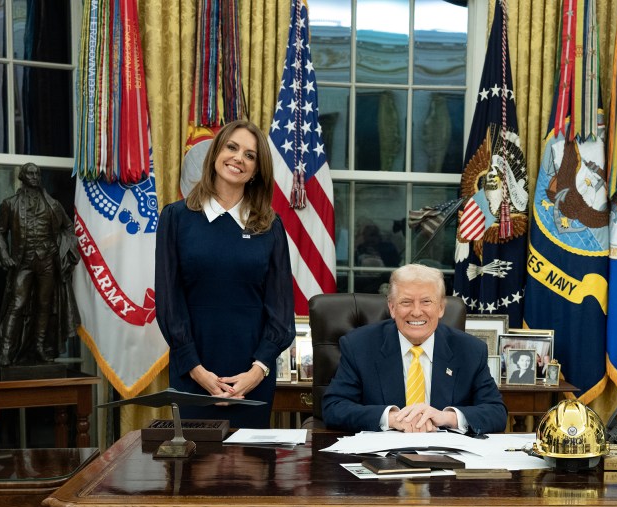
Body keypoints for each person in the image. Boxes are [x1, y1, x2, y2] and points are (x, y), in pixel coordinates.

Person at [155, 119, 295, 428]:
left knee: (250, 459)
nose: (238, 158)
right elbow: (168, 303)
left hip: (253, 379)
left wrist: (257, 371)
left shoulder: (270, 226)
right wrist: (197, 370)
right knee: (193, 458)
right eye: (232, 147)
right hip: (192, 373)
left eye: (250, 155)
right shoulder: (176, 218)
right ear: (216, 153)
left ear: (256, 170)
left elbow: (282, 310)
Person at [322, 263, 507, 433]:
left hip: (446, 454)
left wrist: (446, 417)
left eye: (426, 302)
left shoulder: (470, 350)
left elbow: (496, 412)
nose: (417, 312)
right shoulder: (359, 346)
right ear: (392, 307)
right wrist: (392, 418)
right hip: (382, 453)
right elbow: (334, 407)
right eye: (406, 302)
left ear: (441, 308)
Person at [0, 162, 79, 367]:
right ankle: (5, 352)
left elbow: (68, 227)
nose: (34, 177)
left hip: (47, 261)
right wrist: (4, 255)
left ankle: (40, 347)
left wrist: (62, 248)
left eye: (37, 173)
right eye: (30, 173)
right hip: (23, 262)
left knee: (44, 305)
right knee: (17, 304)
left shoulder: (53, 204)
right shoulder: (10, 204)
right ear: (22, 176)